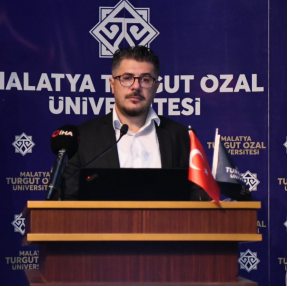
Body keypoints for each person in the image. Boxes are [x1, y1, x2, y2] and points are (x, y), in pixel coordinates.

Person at [62, 45, 206, 200]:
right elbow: (65, 201)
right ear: (112, 85)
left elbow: (198, 200)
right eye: (127, 78)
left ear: (156, 87)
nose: (136, 86)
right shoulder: (81, 139)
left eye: (145, 79)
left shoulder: (182, 137)